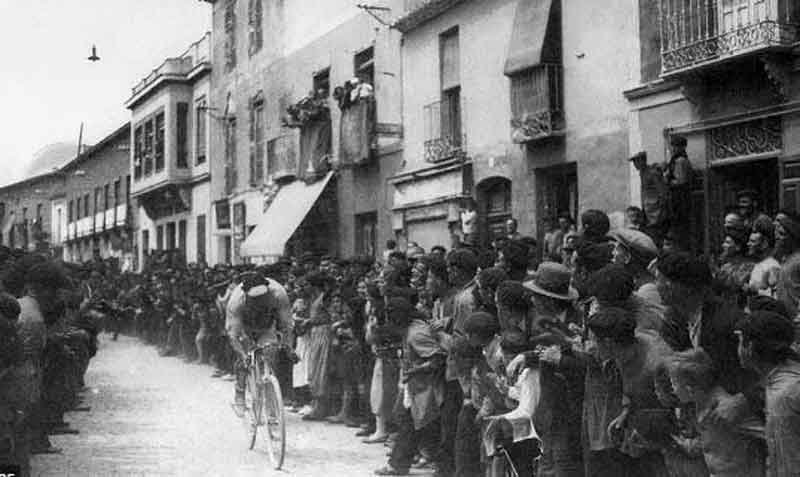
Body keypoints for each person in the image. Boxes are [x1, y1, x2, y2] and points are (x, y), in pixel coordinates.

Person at [667, 348, 765, 477]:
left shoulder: (726, 409)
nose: (672, 389)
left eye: (673, 383)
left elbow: (768, 434)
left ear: (689, 388)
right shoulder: (699, 405)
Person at [735, 310, 800, 477]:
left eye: (740, 341)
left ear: (749, 348)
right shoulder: (782, 379)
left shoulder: (783, 396)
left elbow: (789, 463)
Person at [226, 272, 293, 416]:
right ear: (246, 295)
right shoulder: (236, 302)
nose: (260, 301)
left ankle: (271, 403)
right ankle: (240, 395)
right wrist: (243, 355)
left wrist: (288, 346)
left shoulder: (279, 294)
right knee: (243, 360)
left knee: (271, 353)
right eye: (255, 298)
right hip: (245, 327)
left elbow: (286, 325)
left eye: (263, 297)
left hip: (266, 326)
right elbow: (234, 336)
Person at [664, 136, 693, 248]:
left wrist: (667, 181)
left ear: (682, 147)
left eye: (676, 146)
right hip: (678, 198)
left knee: (680, 226)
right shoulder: (675, 160)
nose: (674, 149)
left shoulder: (680, 161)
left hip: (680, 199)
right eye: (673, 146)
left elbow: (681, 181)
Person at [747, 224, 780, 298]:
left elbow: (776, 297)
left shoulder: (772, 266)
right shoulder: (758, 264)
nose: (748, 244)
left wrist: (754, 291)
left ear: (764, 244)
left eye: (752, 241)